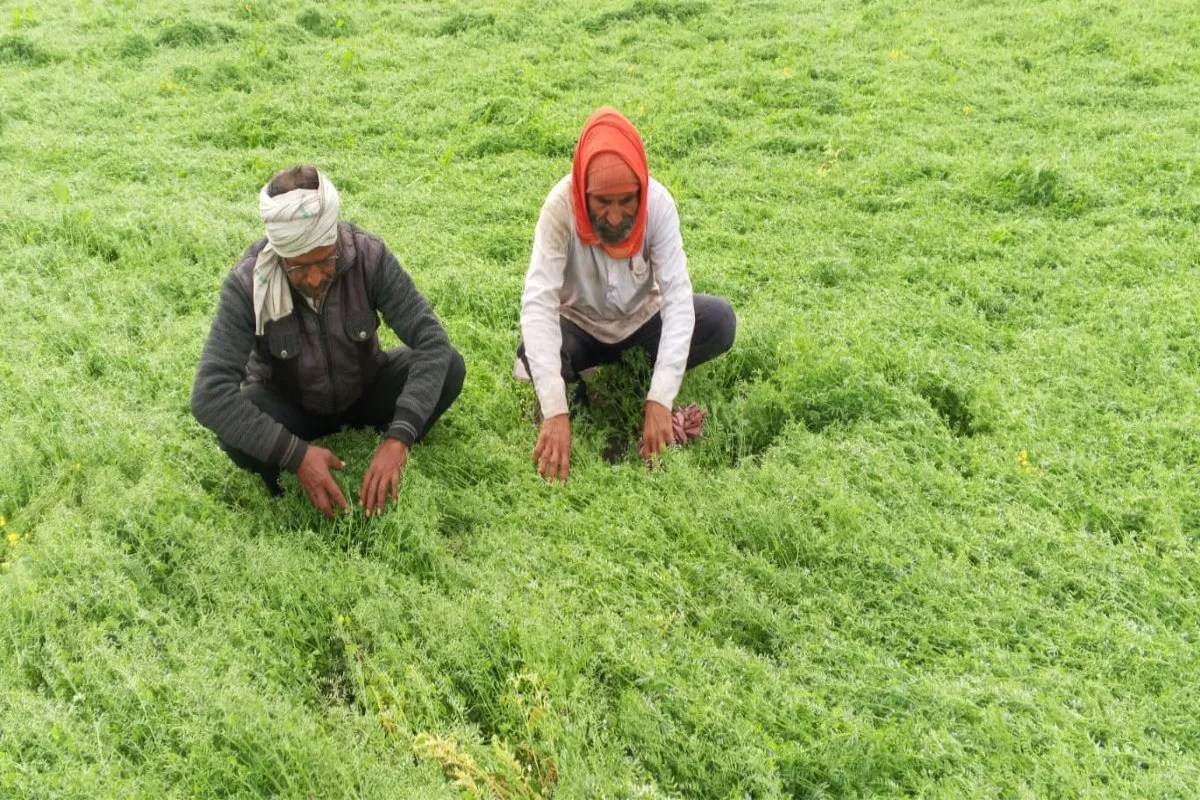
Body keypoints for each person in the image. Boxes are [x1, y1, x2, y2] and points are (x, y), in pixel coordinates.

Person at [191, 165, 464, 517]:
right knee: (239, 422)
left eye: (324, 260)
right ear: (281, 254)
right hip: (290, 409)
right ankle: (293, 464)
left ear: (333, 237)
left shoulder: (368, 257)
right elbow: (208, 394)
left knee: (450, 367)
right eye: (300, 269)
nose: (316, 276)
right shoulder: (247, 284)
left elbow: (433, 342)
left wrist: (400, 436)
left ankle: (380, 440)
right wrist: (296, 455)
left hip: (364, 389)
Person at [517, 107, 736, 482]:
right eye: (602, 203)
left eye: (626, 201)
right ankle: (578, 394)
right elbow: (538, 303)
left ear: (641, 189)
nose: (616, 218)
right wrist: (554, 410)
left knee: (719, 321)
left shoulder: (659, 205)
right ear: (583, 193)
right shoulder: (560, 208)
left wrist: (660, 400)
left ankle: (624, 378)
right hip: (579, 324)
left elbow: (678, 302)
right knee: (531, 349)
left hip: (642, 321)